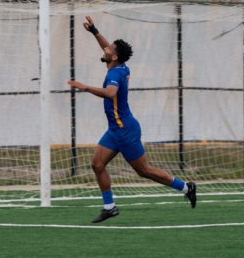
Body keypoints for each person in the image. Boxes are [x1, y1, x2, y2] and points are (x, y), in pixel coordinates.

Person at [67, 16, 197, 223]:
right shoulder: (119, 66)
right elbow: (107, 49)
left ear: (115, 57)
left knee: (144, 171)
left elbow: (110, 93)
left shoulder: (115, 75)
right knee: (97, 164)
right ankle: (109, 207)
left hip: (125, 130)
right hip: (115, 130)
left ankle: (185, 187)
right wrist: (94, 31)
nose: (106, 48)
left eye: (110, 48)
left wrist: (85, 87)